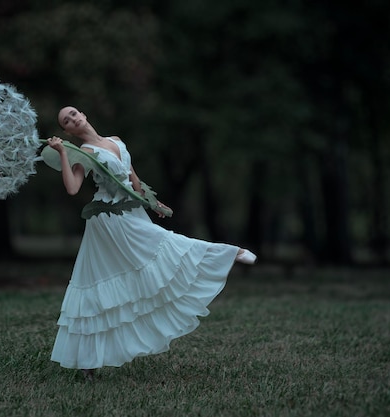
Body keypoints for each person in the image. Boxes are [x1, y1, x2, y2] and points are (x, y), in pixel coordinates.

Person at [46, 106, 256, 381]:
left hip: (132, 209)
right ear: (67, 131)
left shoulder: (117, 141)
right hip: (108, 219)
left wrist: (151, 201)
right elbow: (73, 188)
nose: (72, 118)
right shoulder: (83, 153)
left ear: (83, 114)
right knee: (102, 277)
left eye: (73, 113)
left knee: (157, 253)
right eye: (66, 120)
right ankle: (230, 252)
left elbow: (132, 177)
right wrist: (63, 152)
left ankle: (226, 254)